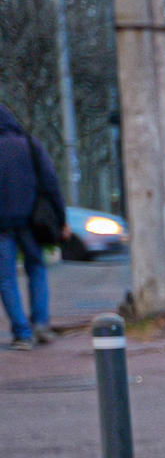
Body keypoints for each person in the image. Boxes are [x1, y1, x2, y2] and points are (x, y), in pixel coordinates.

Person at [0, 104, 66, 350]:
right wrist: (61, 220)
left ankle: (22, 333)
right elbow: (51, 184)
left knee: (6, 280)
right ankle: (40, 324)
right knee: (36, 268)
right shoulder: (29, 144)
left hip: (2, 226)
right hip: (31, 222)